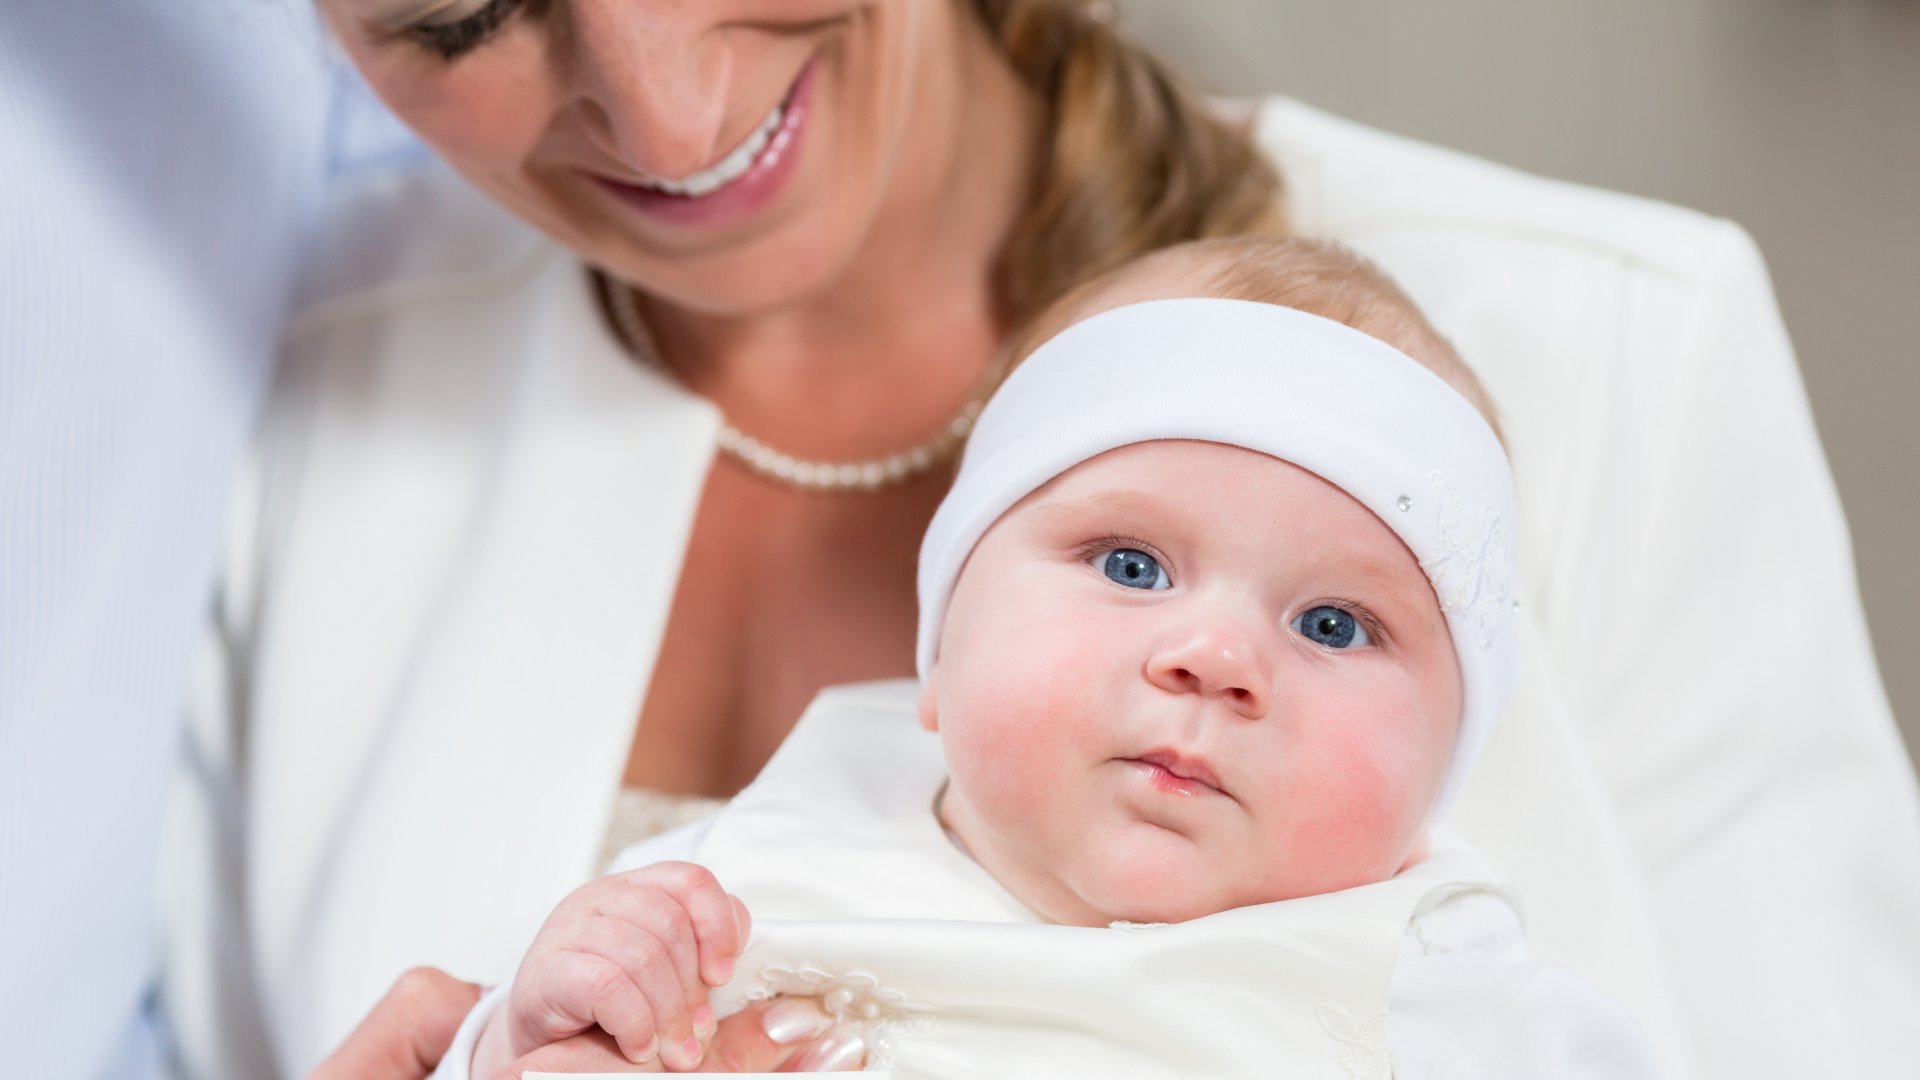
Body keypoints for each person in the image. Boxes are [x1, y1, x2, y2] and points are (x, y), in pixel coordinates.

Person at [157, 1, 1920, 1077]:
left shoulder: (1615, 344)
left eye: (1335, 629)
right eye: (463, 10)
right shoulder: (275, 397)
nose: (671, 112)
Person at [441, 237, 1663, 1079]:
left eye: (1333, 624)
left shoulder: (1445, 996)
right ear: (940, 647)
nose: (1214, 658)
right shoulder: (730, 877)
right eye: (1132, 565)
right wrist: (520, 1042)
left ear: (1438, 781)